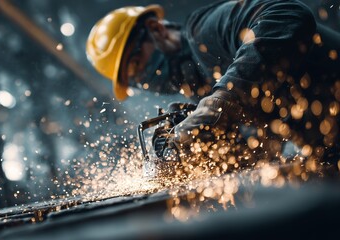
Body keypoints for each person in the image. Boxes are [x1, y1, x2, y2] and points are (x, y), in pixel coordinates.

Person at [86, 0, 340, 165]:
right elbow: (267, 139)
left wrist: (222, 101)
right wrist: (220, 152)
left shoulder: (208, 30)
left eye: (136, 65)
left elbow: (288, 13)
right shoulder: (201, 85)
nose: (145, 80)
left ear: (156, 29)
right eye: (135, 81)